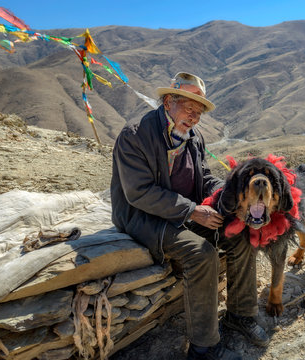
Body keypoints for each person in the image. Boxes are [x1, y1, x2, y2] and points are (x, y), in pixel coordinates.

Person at [110, 72, 269, 360]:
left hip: (187, 212)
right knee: (201, 253)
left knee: (240, 233)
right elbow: (139, 192)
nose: (194, 117)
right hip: (144, 217)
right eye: (189, 107)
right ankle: (203, 347)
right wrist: (192, 211)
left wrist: (229, 192)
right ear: (169, 101)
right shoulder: (135, 136)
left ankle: (240, 315)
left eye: (199, 111)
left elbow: (205, 177)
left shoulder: (193, 137)